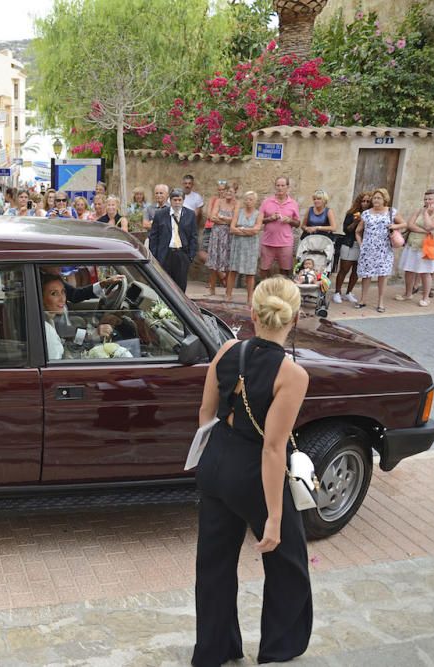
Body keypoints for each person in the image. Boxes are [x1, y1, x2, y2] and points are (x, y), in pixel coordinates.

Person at [193, 276, 311, 667]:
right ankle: (278, 651)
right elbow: (274, 448)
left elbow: (205, 415)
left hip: (214, 463)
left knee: (214, 565)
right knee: (289, 562)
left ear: (252, 311)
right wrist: (274, 519)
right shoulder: (292, 374)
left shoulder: (227, 349)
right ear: (294, 317)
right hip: (253, 471)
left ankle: (213, 651)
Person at [355, 187, 407, 312]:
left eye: (379, 198)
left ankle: (380, 302)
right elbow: (358, 231)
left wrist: (395, 225)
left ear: (385, 199)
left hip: (384, 249)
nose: (376, 200)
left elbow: (405, 224)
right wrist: (361, 245)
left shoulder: (391, 211)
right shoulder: (366, 213)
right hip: (368, 249)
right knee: (366, 275)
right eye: (374, 198)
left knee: (382, 276)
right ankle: (363, 300)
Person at [395, 190, 434, 307]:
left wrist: (427, 213)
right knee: (409, 270)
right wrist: (425, 231)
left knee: (425, 272)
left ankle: (426, 297)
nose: (427, 201)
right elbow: (410, 225)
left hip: (428, 245)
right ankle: (408, 293)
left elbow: (430, 226)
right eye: (425, 199)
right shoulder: (418, 210)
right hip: (413, 243)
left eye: (430, 199)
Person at [149, 188, 198, 291]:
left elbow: (193, 237)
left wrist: (190, 256)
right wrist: (155, 255)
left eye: (179, 200)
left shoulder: (190, 215)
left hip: (181, 254)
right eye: (175, 200)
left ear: (183, 200)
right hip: (165, 254)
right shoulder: (160, 214)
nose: (177, 203)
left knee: (180, 286)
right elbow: (153, 237)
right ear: (170, 200)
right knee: (164, 285)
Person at [259, 176, 301, 278]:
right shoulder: (267, 202)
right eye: (278, 185)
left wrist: (290, 220)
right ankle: (266, 289)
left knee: (285, 270)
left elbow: (298, 223)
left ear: (287, 187)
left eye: (282, 185)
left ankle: (283, 292)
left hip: (285, 242)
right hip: (268, 242)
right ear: (275, 187)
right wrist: (270, 218)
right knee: (264, 268)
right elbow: (259, 221)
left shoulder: (293, 203)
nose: (280, 188)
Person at [332, 192, 370, 304]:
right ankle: (337, 292)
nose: (365, 203)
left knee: (356, 271)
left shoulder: (370, 214)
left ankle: (349, 292)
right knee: (344, 269)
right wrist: (355, 222)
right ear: (359, 201)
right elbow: (346, 230)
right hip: (350, 243)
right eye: (363, 201)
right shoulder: (351, 213)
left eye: (368, 201)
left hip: (363, 245)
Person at [228, 190, 263, 305]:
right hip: (238, 245)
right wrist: (247, 230)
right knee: (233, 270)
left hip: (251, 246)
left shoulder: (259, 214)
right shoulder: (239, 212)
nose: (248, 202)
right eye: (246, 199)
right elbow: (232, 228)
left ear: (255, 201)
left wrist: (241, 229)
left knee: (250, 273)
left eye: (251, 199)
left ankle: (249, 298)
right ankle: (228, 295)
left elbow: (256, 230)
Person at [206, 182, 237, 296]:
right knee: (214, 262)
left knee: (228, 263)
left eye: (231, 192)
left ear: (235, 193)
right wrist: (227, 220)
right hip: (217, 234)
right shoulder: (219, 202)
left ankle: (228, 292)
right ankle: (212, 289)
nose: (228, 193)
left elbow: (235, 220)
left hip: (229, 235)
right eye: (227, 191)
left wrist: (222, 218)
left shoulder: (236, 204)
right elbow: (213, 217)